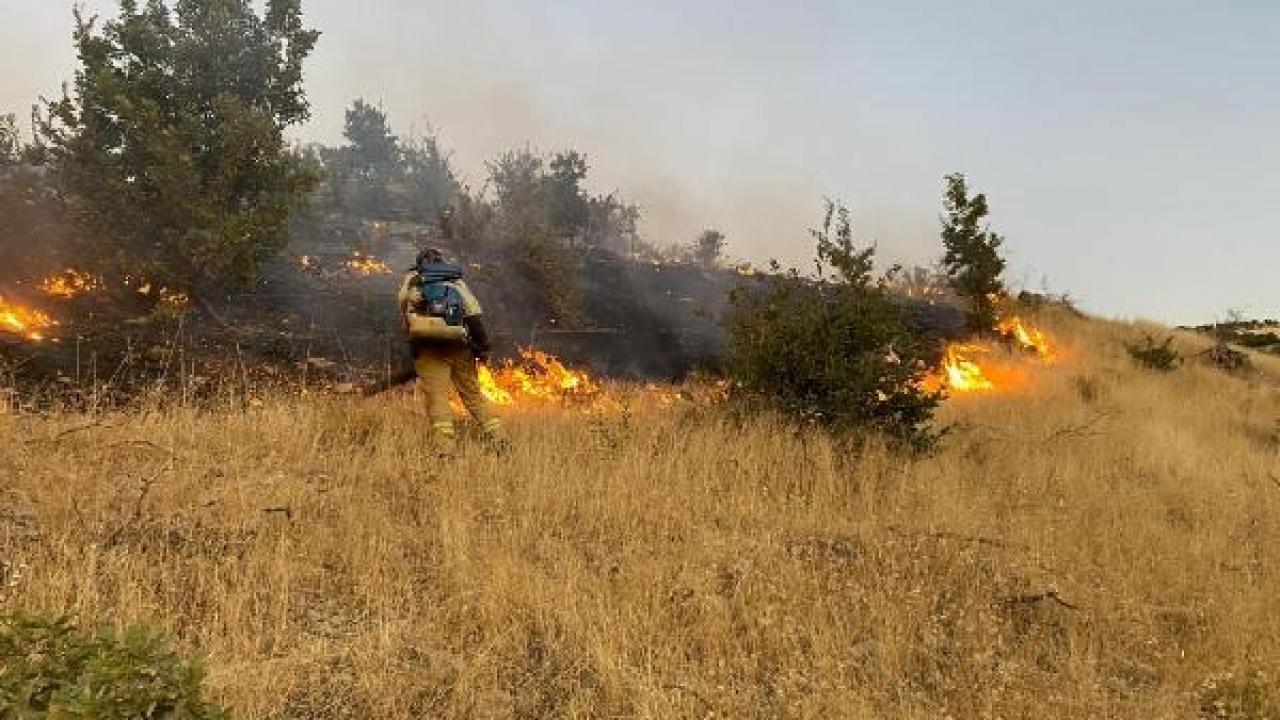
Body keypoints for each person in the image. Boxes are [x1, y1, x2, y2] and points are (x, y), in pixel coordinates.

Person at [397, 247, 505, 446]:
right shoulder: (456, 281)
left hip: (427, 350)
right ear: (442, 262)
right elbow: (474, 316)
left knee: (437, 399)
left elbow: (404, 309)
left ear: (419, 263)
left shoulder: (413, 280)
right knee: (473, 397)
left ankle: (445, 449)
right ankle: (500, 440)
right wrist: (483, 347)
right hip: (459, 347)